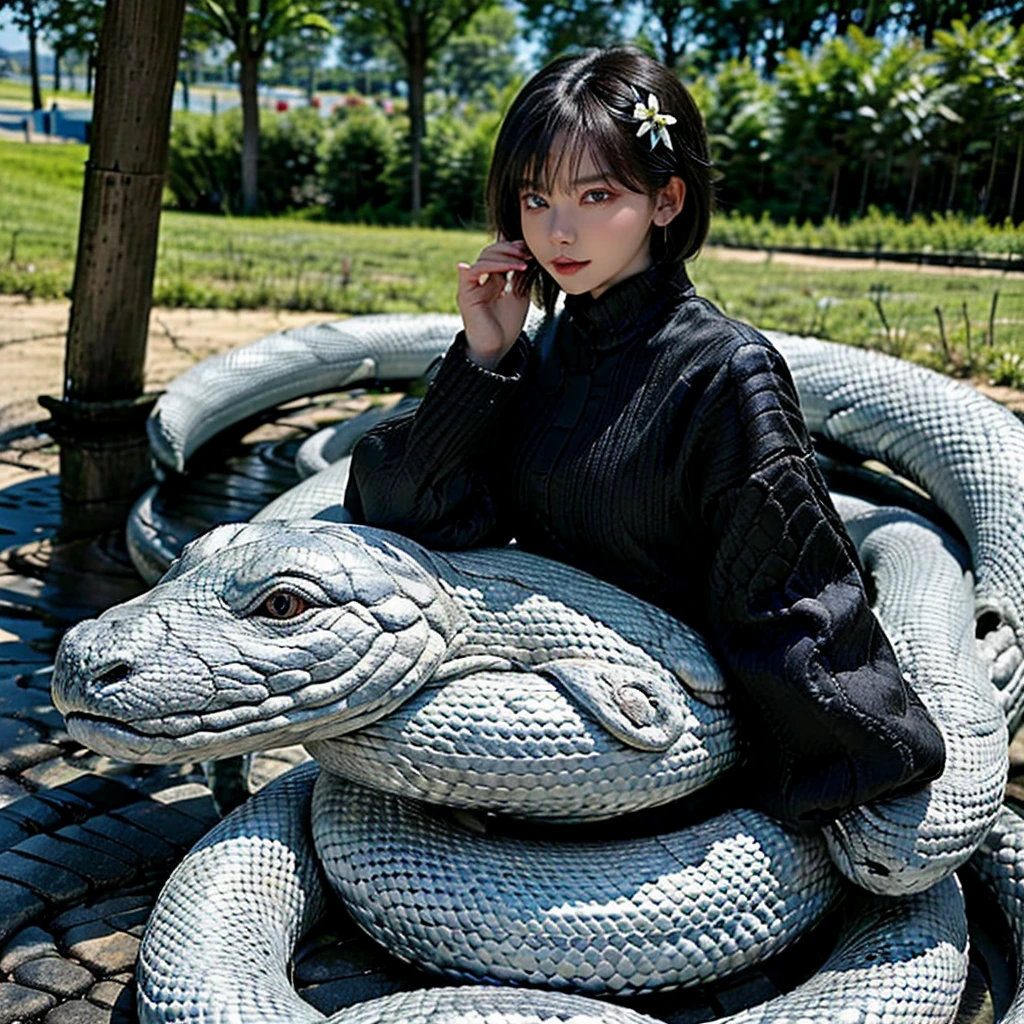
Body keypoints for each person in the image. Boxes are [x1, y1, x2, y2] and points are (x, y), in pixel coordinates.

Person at [344, 47, 945, 829]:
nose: (560, 231)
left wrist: (825, 771)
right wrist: (484, 358)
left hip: (673, 752)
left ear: (666, 201)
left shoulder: (727, 372)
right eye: (535, 198)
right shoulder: (538, 354)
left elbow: (790, 600)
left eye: (596, 195)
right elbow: (402, 511)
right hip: (535, 724)